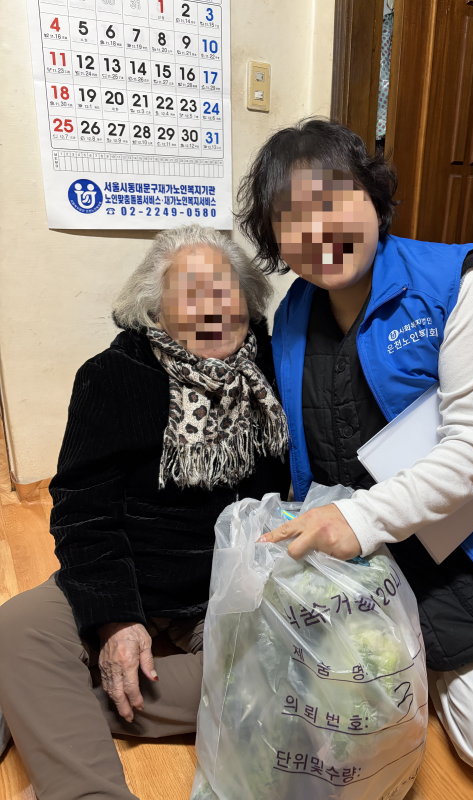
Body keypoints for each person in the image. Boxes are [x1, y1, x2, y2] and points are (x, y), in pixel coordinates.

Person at [238, 119, 473, 779]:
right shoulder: (293, 316)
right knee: (286, 696)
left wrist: (356, 520)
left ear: (373, 199)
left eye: (334, 201)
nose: (318, 232)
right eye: (292, 220)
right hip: (379, 548)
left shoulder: (460, 285)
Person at [0, 226, 290, 800]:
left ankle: (54, 708)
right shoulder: (112, 377)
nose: (212, 308)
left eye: (225, 291)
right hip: (133, 573)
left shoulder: (274, 372)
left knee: (284, 673)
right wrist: (115, 619)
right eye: (191, 293)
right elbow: (83, 510)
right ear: (155, 310)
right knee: (19, 627)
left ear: (249, 303)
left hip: (225, 590)